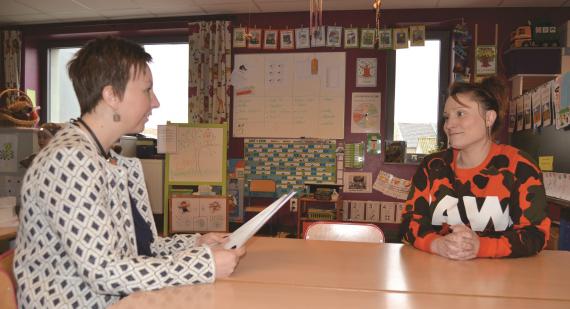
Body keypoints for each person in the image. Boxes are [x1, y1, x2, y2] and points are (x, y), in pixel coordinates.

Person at [14, 36, 245, 308]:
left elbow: (144, 248)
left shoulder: (114, 161)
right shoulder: (69, 160)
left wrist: (198, 244)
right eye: (147, 90)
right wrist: (203, 265)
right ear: (112, 95)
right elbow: (104, 273)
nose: (155, 101)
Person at [401, 76, 550, 260]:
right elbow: (409, 223)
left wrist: (480, 247)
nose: (449, 125)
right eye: (447, 117)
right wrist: (437, 245)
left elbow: (536, 234)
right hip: (439, 275)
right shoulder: (433, 167)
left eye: (460, 114)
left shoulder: (520, 167)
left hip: (504, 281)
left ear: (489, 118)